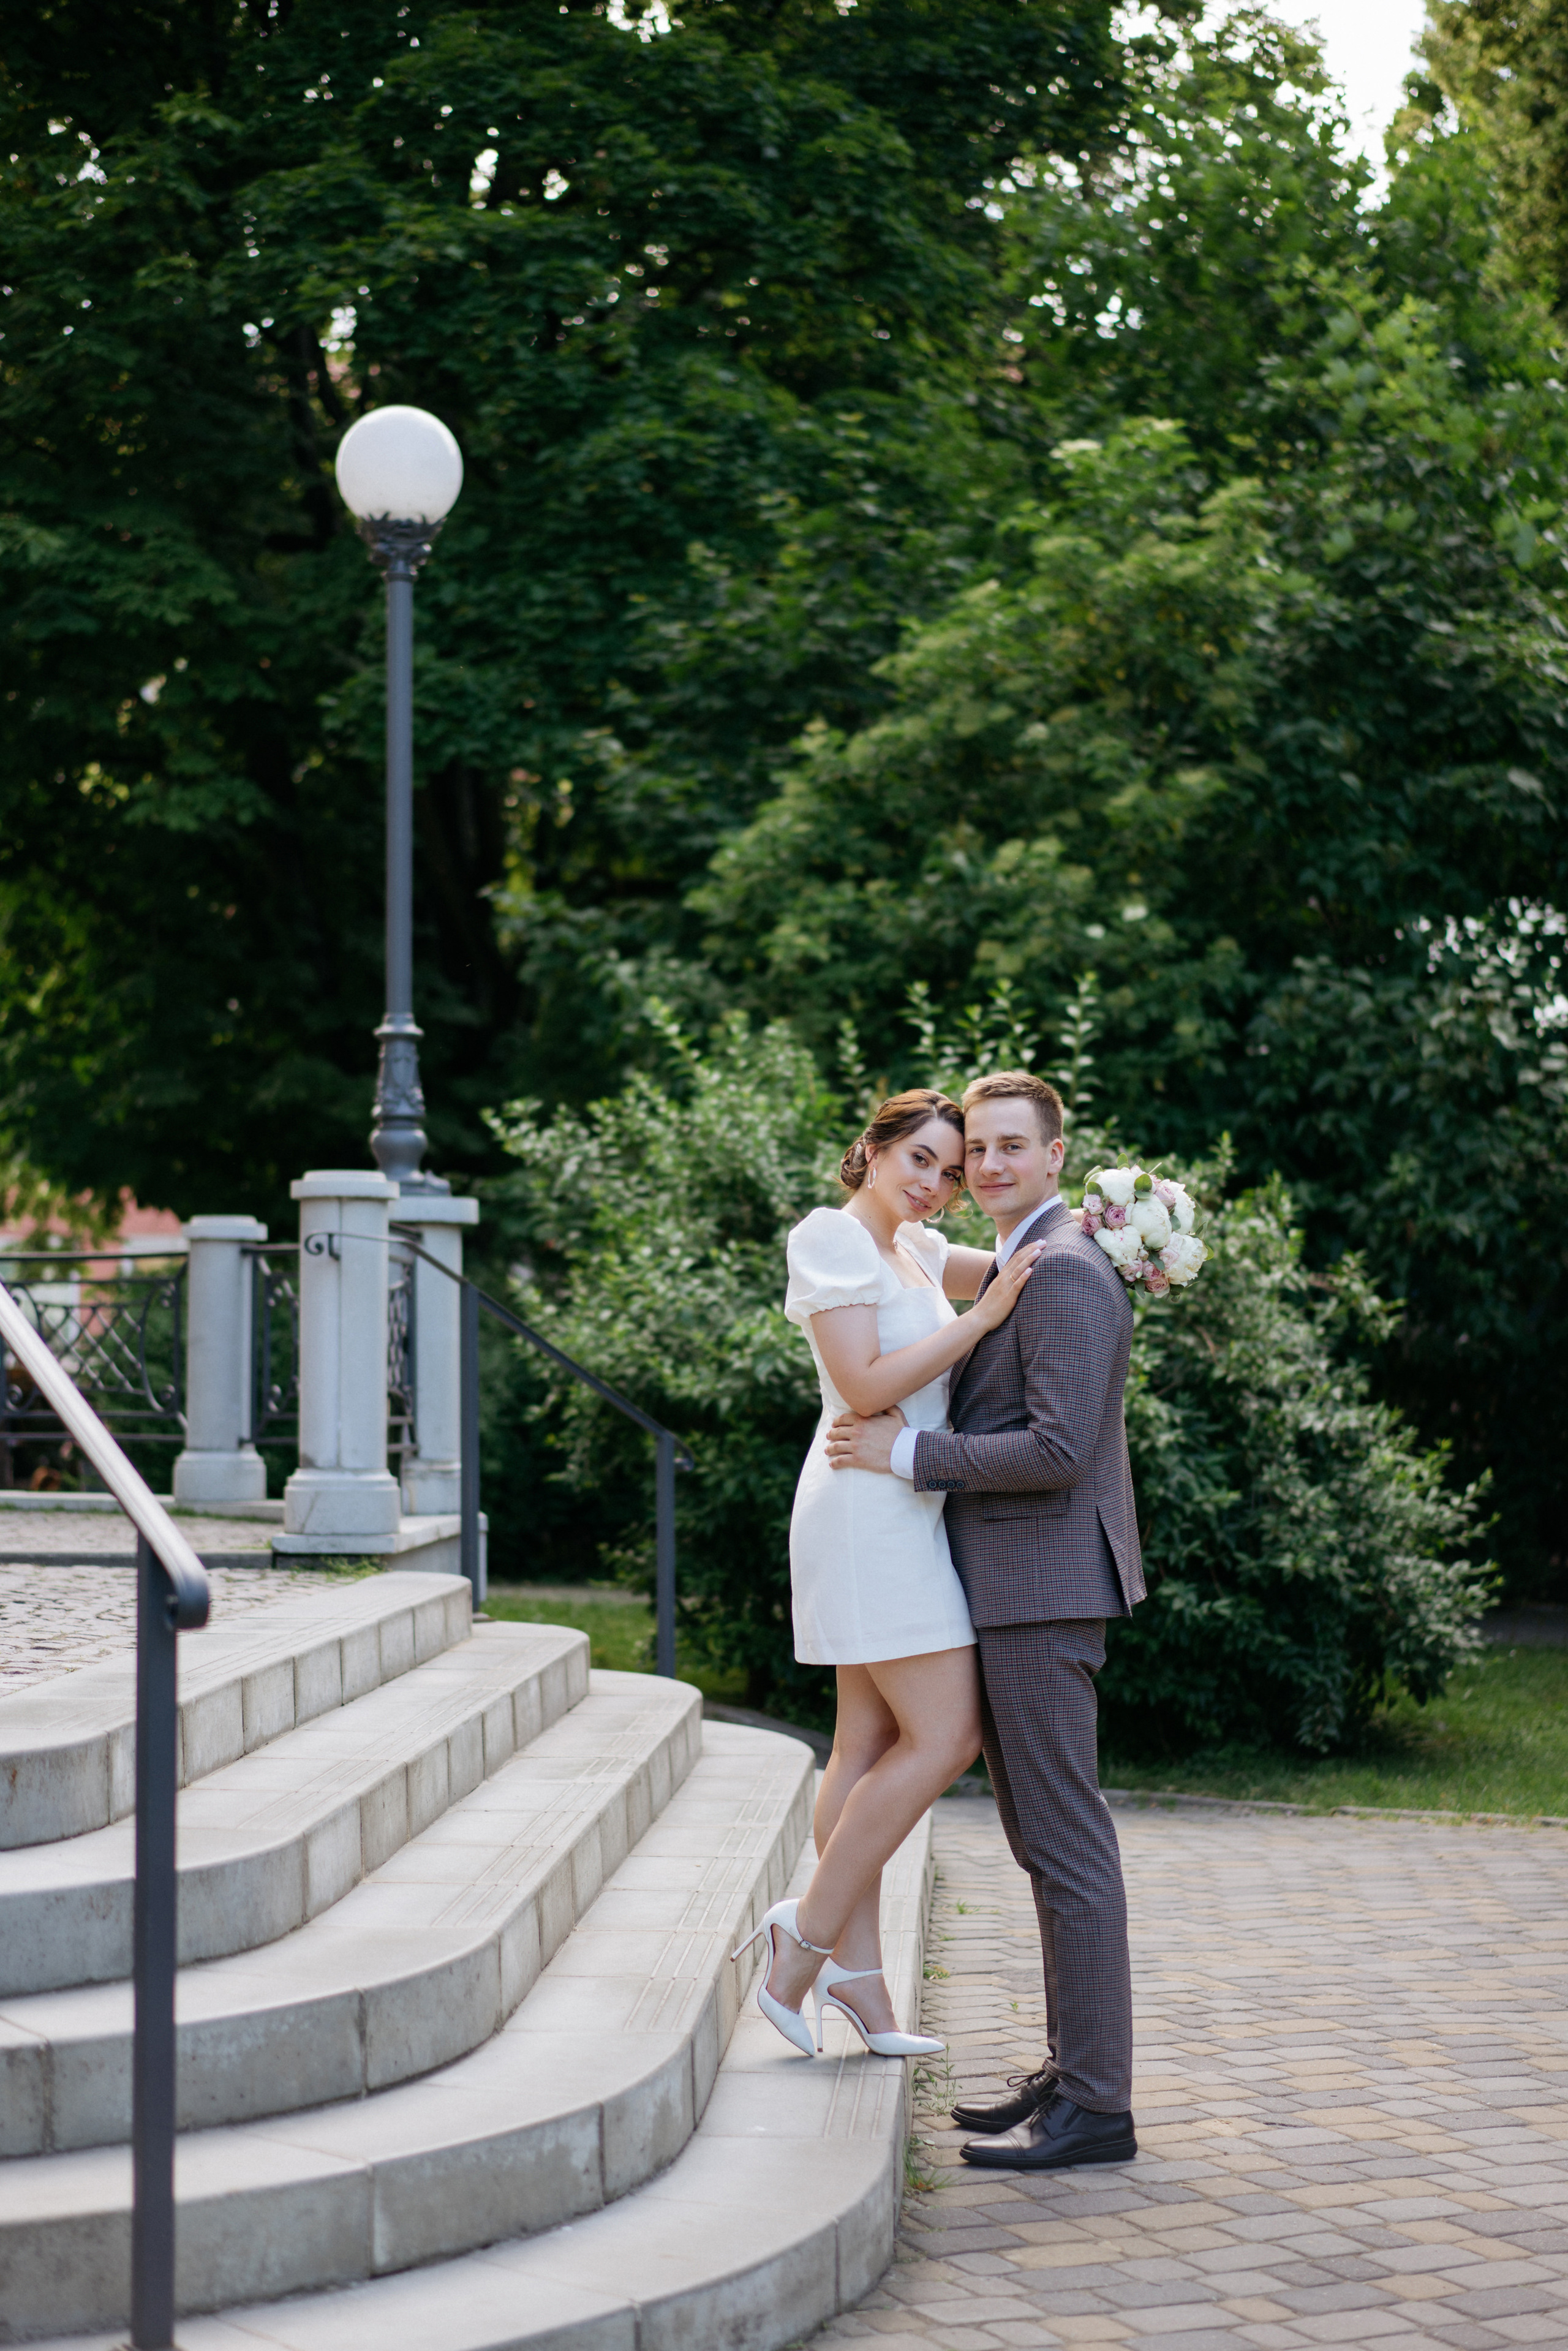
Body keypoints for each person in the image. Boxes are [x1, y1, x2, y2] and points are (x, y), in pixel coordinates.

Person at [825, 1070, 1144, 2173]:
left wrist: (909, 1453)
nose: (993, 1167)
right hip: (1012, 1591)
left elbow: (1057, 1450)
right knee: (1043, 1843)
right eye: (978, 1156)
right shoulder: (1021, 1261)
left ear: (1059, 1158)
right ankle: (1073, 2071)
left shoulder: (1063, 1274)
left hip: (1044, 1593)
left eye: (1015, 1147)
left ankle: (1098, 2106)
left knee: (1066, 1844)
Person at [734, 1088, 1044, 2060]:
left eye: (949, 1172)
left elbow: (1028, 1257)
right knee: (947, 1734)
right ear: (872, 1149)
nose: (935, 1183)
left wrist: (1128, 1235)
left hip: (905, 1506)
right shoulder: (830, 1236)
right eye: (920, 1159)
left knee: (864, 1744)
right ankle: (804, 1937)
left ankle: (859, 1984)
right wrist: (982, 1316)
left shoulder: (914, 1247)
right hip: (865, 1511)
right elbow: (864, 1385)